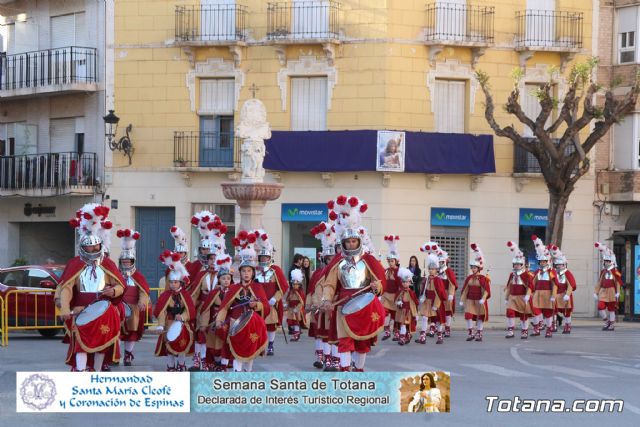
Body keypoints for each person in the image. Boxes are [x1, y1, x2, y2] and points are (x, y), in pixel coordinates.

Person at [321, 195, 386, 372]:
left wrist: (376, 287)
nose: (351, 244)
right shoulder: (338, 262)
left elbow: (378, 281)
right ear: (343, 243)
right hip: (343, 304)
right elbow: (329, 284)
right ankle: (345, 373)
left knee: (362, 341)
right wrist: (327, 299)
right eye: (348, 241)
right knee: (344, 341)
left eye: (354, 241)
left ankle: (359, 370)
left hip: (364, 304)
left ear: (358, 241)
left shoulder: (368, 260)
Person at [56, 203, 125, 372]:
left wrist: (114, 291)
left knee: (101, 345)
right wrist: (64, 308)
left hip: (104, 308)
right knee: (81, 344)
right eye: (89, 247)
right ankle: (81, 372)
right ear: (82, 247)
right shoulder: (74, 264)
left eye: (95, 246)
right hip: (81, 309)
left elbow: (120, 285)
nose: (92, 249)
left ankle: (97, 371)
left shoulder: (107, 263)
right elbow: (65, 288)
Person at [215, 245, 270, 372]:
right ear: (240, 272)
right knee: (236, 354)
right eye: (244, 271)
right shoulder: (233, 289)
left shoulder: (258, 288)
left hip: (251, 325)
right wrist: (219, 320)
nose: (246, 273)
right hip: (236, 324)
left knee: (249, 354)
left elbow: (266, 307)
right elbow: (224, 307)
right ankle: (237, 376)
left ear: (253, 272)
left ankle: (247, 376)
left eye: (249, 271)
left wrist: (256, 305)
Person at [153, 254, 196, 371]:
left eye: (176, 282)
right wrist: (161, 325)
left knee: (182, 344)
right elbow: (161, 311)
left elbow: (190, 310)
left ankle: (181, 364)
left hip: (182, 324)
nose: (173, 284)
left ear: (180, 283)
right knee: (169, 346)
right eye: (171, 282)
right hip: (169, 322)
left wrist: (182, 317)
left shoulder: (185, 295)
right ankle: (170, 366)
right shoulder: (165, 295)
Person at [116, 228, 149, 366]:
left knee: (131, 333)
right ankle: (115, 355)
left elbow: (144, 292)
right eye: (124, 261)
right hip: (118, 307)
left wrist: (142, 302)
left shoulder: (138, 276)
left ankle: (128, 355)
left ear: (132, 261)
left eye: (128, 261)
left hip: (133, 308)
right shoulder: (115, 274)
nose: (126, 263)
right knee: (115, 331)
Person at [254, 230, 289, 356]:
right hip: (259, 303)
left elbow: (283, 287)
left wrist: (275, 299)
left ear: (270, 257)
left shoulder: (275, 270)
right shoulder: (255, 271)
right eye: (262, 257)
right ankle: (260, 345)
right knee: (258, 325)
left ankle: (270, 345)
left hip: (271, 302)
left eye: (266, 257)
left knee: (270, 325)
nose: (264, 259)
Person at [308, 222, 338, 370]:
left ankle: (333, 360)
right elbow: (311, 290)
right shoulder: (317, 274)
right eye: (328, 258)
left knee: (333, 335)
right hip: (319, 308)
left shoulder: (338, 272)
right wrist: (311, 304)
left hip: (333, 308)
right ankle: (323, 358)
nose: (331, 260)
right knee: (320, 334)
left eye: (333, 257)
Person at [196, 253, 233, 371]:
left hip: (228, 321)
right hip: (214, 320)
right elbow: (206, 309)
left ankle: (224, 365)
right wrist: (203, 324)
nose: (226, 281)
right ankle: (214, 362)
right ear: (219, 280)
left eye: (228, 278)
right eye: (223, 278)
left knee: (225, 343)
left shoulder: (234, 291)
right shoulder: (214, 293)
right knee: (214, 343)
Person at [460, 244, 491, 342]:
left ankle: (479, 333)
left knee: (480, 317)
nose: (473, 269)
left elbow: (486, 290)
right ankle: (470, 333)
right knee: (468, 316)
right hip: (470, 300)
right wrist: (462, 300)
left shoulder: (483, 279)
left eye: (474, 267)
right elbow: (465, 290)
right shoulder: (469, 278)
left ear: (478, 268)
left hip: (479, 300)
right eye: (472, 267)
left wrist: (483, 298)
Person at [504, 241, 533, 339]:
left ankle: (524, 331)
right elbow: (509, 286)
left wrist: (527, 296)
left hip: (522, 297)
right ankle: (510, 330)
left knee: (523, 315)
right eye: (515, 264)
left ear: (522, 265)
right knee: (510, 312)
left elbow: (530, 286)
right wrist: (506, 297)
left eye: (518, 264)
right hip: (512, 297)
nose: (516, 266)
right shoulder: (512, 275)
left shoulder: (526, 275)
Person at [416, 253, 448, 344]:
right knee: (425, 318)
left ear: (436, 270)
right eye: (430, 269)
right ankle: (422, 337)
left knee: (438, 320)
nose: (431, 270)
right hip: (427, 301)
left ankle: (440, 337)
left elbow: (440, 293)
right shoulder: (426, 279)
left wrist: (436, 305)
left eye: (433, 269)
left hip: (435, 302)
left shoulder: (438, 280)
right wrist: (422, 297)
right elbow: (423, 290)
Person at [531, 236, 558, 338]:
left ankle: (549, 329)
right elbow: (532, 283)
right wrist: (530, 293)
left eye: (544, 262)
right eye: (541, 262)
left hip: (547, 295)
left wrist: (553, 295)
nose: (542, 263)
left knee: (547, 314)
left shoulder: (551, 272)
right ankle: (536, 328)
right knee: (536, 311)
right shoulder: (537, 271)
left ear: (547, 262)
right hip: (537, 294)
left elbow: (555, 284)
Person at [594, 242, 623, 331]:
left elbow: (618, 282)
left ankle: (611, 325)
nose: (606, 263)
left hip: (612, 292)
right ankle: (606, 321)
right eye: (605, 261)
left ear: (612, 261)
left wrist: (618, 292)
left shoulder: (615, 271)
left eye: (608, 261)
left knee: (611, 309)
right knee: (600, 306)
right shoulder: (603, 271)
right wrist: (596, 292)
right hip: (603, 291)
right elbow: (599, 282)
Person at [550, 245, 576, 334]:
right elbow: (552, 284)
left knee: (566, 312)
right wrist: (552, 295)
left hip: (565, 295)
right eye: (557, 265)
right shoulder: (553, 273)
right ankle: (554, 325)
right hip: (556, 295)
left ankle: (567, 325)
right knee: (553, 310)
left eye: (560, 265)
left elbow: (571, 285)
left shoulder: (567, 273)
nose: (558, 266)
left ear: (564, 264)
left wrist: (567, 294)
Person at [380, 235, 401, 341]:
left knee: (395, 315)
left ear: (396, 261)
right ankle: (387, 330)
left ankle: (396, 332)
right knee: (385, 312)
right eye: (389, 261)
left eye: (392, 261)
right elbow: (382, 281)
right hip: (386, 295)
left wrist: (400, 297)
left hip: (395, 296)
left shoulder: (399, 272)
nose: (390, 263)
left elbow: (401, 285)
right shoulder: (386, 270)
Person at [395, 268, 418, 345]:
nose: (405, 284)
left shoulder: (411, 293)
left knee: (406, 324)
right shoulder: (400, 291)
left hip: (408, 311)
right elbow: (396, 299)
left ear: (409, 282)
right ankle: (402, 337)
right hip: (401, 311)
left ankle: (407, 335)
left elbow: (414, 303)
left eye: (406, 282)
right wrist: (398, 302)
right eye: (403, 282)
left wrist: (415, 313)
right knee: (402, 324)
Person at [437, 249, 457, 338]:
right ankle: (437, 329)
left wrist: (451, 294)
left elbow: (452, 283)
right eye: (439, 262)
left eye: (442, 262)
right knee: (438, 311)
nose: (440, 263)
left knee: (447, 311)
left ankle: (447, 328)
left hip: (447, 293)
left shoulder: (449, 271)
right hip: (438, 294)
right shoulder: (437, 271)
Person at [284, 269, 307, 341]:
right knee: (292, 322)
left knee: (296, 322)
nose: (294, 285)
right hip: (291, 309)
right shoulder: (291, 292)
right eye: (293, 284)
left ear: (299, 285)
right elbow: (288, 299)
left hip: (297, 309)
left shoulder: (300, 292)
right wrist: (286, 305)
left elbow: (302, 302)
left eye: (296, 284)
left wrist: (297, 308)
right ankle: (295, 335)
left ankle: (296, 335)